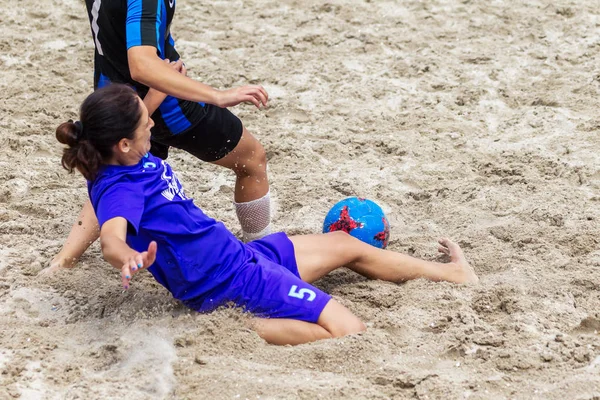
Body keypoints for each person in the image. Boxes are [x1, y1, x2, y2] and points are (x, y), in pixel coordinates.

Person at [55, 84, 478, 345]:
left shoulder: (125, 155)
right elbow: (112, 234)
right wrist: (123, 256)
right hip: (230, 283)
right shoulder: (121, 188)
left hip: (241, 256)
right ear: (124, 143)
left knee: (348, 243)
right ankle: (238, 323)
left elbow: (136, 122)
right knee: (349, 330)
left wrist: (169, 83)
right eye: (146, 122)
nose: (152, 124)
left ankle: (456, 275)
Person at [48, 0, 272, 272]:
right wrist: (218, 95)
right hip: (162, 104)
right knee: (251, 159)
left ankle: (64, 260)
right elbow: (141, 65)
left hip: (113, 100)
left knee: (115, 173)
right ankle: (263, 253)